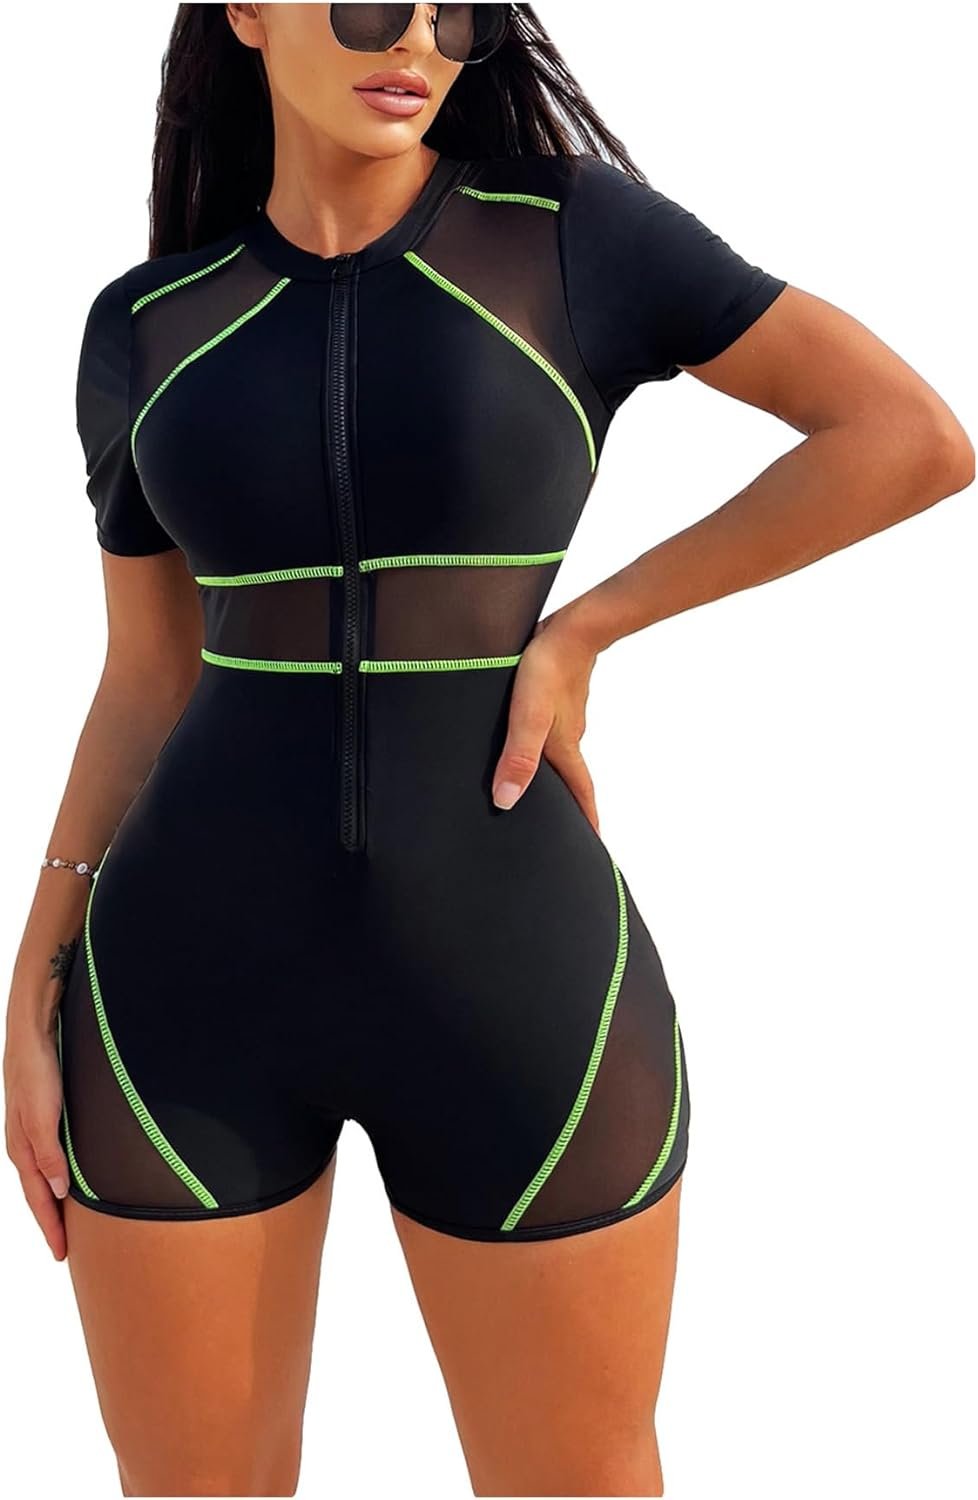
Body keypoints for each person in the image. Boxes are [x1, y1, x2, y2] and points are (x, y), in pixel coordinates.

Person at [4, 4, 973, 1496]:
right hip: (178, 996)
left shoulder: (571, 239)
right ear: (246, 12)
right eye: (366, 3)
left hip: (515, 988)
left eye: (454, 11)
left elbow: (904, 435)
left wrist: (588, 630)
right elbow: (147, 672)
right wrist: (36, 966)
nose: (414, 40)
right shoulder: (146, 323)